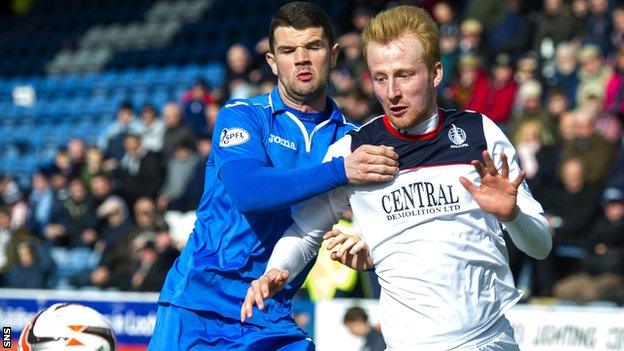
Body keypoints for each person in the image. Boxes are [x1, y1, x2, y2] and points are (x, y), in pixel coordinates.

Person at [241, 6, 552, 350]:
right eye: (380, 77)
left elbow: (540, 246)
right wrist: (275, 271)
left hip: (489, 342)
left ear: (435, 73)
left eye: (404, 75)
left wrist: (512, 215)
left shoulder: (479, 133)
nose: (391, 92)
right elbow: (304, 231)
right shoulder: (356, 152)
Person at [149, 2, 399, 350]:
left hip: (271, 310)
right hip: (198, 305)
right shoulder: (243, 116)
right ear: (272, 62)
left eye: (313, 46)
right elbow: (248, 191)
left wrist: (369, 245)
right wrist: (341, 171)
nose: (301, 58)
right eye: (287, 50)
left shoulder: (354, 141)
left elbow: (389, 218)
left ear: (334, 54)